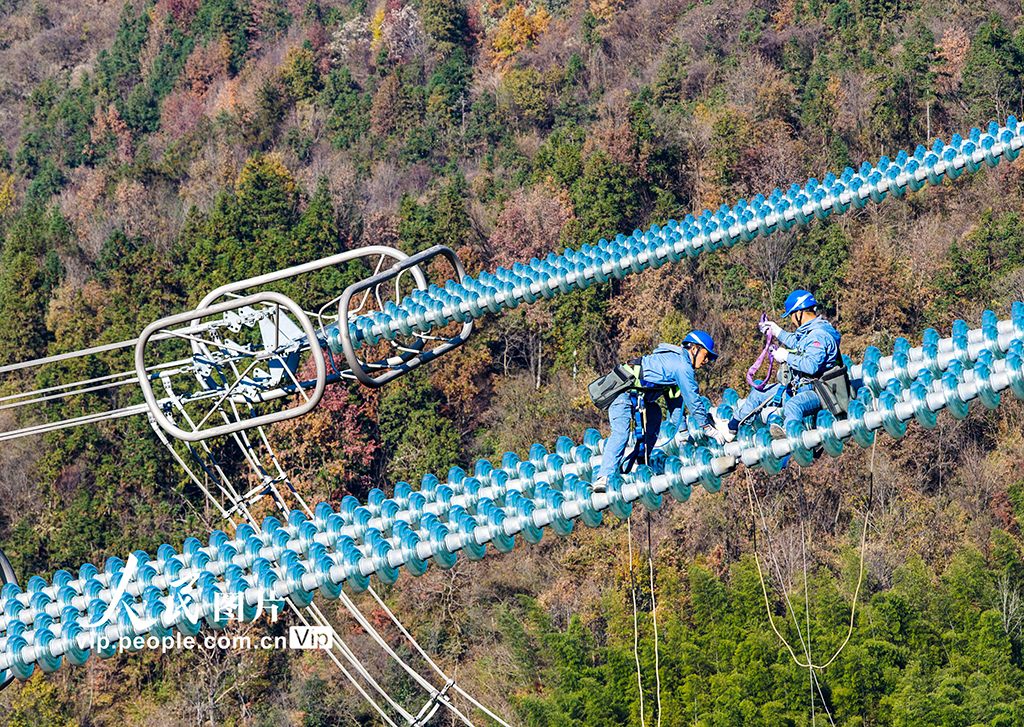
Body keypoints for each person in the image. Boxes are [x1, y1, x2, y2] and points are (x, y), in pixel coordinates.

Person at [594, 331, 720, 492]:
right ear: (694, 349)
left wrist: (683, 431)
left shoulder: (676, 362)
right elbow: (693, 399)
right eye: (706, 355)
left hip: (638, 397)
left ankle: (641, 459)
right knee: (621, 434)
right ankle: (603, 477)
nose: (707, 361)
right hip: (622, 395)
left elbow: (675, 401)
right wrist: (707, 428)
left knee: (654, 413)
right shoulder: (682, 366)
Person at [728, 289, 841, 439]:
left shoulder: (818, 335)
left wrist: (787, 356)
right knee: (759, 394)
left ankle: (790, 434)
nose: (792, 321)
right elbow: (798, 343)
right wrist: (777, 331)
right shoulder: (810, 332)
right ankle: (732, 426)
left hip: (819, 392)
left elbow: (811, 366)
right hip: (801, 386)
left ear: (798, 313)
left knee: (793, 405)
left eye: (792, 316)